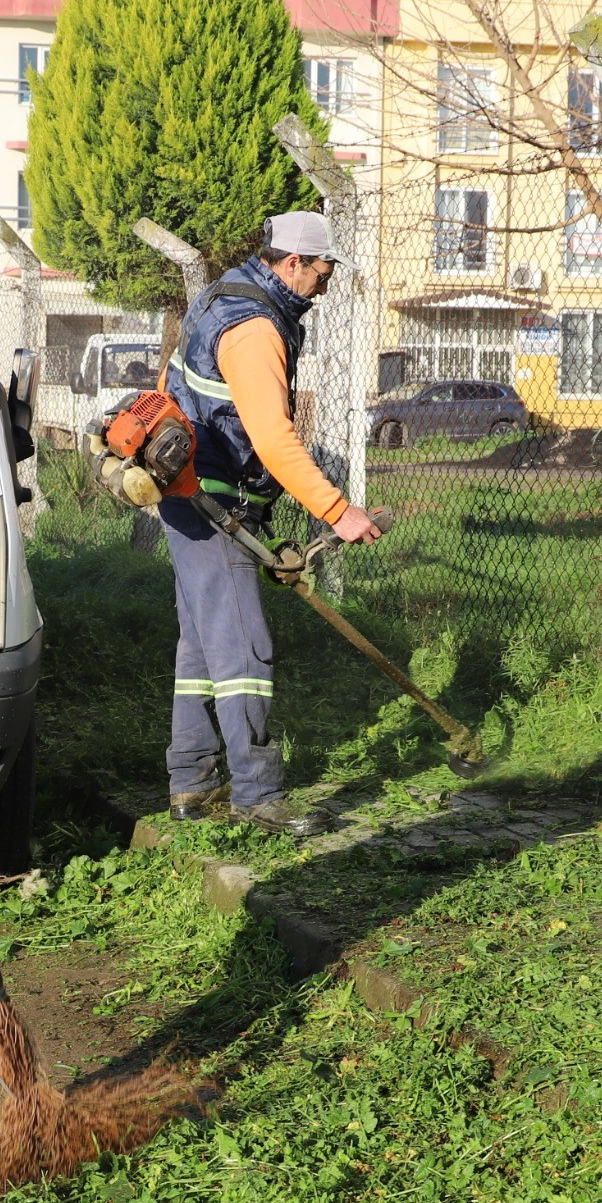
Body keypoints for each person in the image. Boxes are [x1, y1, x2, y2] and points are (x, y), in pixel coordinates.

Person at [161, 209, 383, 839]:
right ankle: (257, 796)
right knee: (245, 648)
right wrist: (338, 512)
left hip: (188, 493)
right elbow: (276, 440)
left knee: (204, 648)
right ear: (293, 263)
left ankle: (191, 783)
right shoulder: (256, 328)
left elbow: (172, 385)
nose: (326, 282)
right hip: (215, 503)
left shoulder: (219, 294)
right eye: (323, 270)